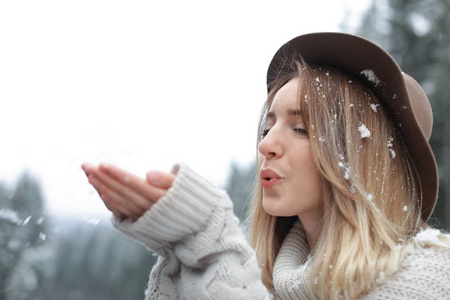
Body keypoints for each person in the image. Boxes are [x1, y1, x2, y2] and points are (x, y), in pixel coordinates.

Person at [82, 32, 450, 299]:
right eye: (267, 126)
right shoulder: (262, 284)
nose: (266, 144)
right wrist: (187, 257)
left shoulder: (429, 278)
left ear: (361, 161)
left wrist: (210, 244)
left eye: (302, 128)